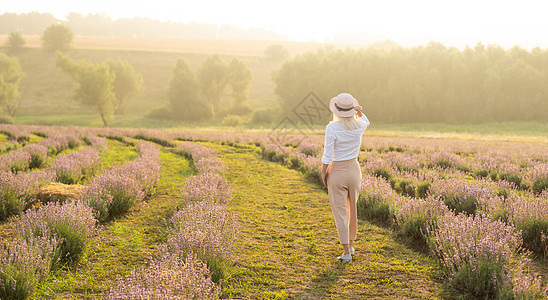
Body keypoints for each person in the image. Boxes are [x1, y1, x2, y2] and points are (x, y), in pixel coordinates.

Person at [321, 92, 370, 263]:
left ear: (337, 110)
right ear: (352, 109)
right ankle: (351, 244)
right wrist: (358, 111)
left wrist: (323, 172)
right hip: (354, 170)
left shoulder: (332, 128)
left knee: (340, 212)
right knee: (352, 210)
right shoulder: (359, 126)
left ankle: (346, 252)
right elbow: (366, 120)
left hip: (338, 171)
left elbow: (328, 155)